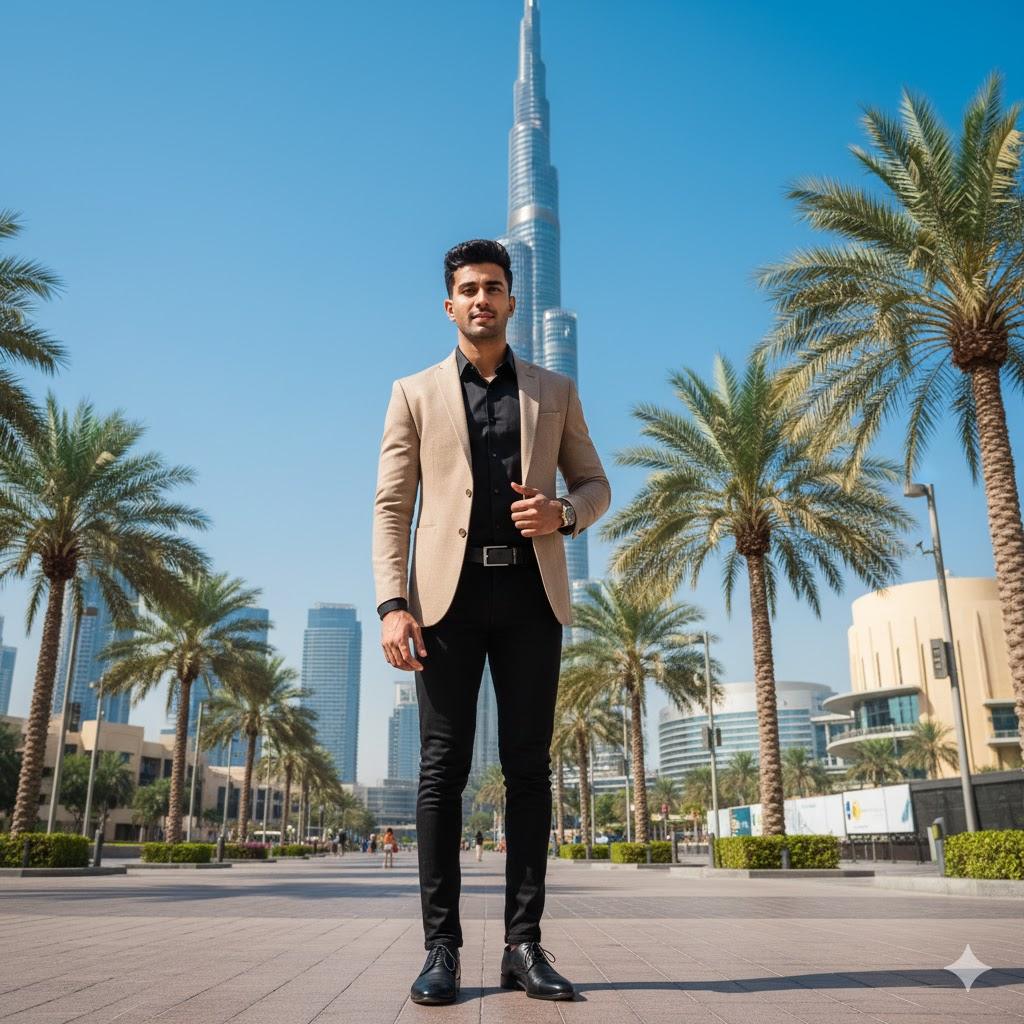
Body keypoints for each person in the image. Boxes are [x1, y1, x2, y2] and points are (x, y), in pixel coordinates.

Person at [374, 239, 610, 1005]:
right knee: (442, 769)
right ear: (450, 305)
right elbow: (392, 507)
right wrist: (392, 604)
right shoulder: (413, 393)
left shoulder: (554, 391)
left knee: (529, 770)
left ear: (512, 301)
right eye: (469, 289)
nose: (482, 298)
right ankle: (440, 948)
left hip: (532, 601)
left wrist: (564, 514)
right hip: (445, 603)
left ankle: (523, 945)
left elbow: (596, 484)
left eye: (494, 287)